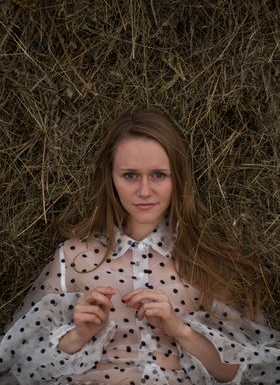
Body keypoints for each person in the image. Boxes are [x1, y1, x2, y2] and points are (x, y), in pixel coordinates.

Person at [0, 108, 279, 385]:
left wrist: (179, 330)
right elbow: (21, 370)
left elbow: (238, 374)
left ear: (178, 178)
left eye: (159, 175)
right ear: (111, 178)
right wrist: (77, 336)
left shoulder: (203, 260)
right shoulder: (73, 258)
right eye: (130, 175)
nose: (144, 191)